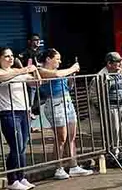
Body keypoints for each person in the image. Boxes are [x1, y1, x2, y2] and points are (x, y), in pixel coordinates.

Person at [37, 49, 94, 180]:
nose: (59, 61)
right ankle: (58, 167)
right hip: (55, 103)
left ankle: (73, 165)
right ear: (48, 59)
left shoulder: (61, 71)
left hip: (67, 101)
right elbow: (56, 75)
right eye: (57, 59)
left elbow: (66, 84)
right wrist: (72, 68)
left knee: (71, 137)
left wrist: (71, 78)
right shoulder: (41, 70)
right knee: (61, 138)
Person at [0, 47, 38, 190]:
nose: (10, 58)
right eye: (6, 56)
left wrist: (34, 70)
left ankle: (21, 176)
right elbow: (3, 78)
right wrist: (23, 70)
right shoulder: (3, 73)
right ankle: (12, 180)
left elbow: (36, 83)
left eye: (11, 56)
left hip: (23, 112)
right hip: (9, 113)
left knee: (22, 147)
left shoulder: (17, 71)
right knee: (16, 146)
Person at [101, 52, 122, 162]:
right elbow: (94, 95)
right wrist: (103, 110)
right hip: (111, 108)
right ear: (109, 63)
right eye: (117, 62)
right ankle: (113, 157)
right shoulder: (102, 75)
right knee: (114, 134)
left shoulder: (118, 73)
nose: (119, 63)